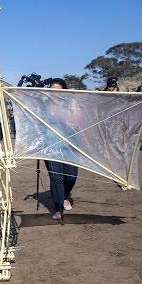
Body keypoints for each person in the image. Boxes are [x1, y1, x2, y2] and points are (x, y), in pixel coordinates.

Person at [44, 78, 78, 221]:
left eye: (59, 91)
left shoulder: (69, 104)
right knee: (56, 178)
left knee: (70, 177)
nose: (55, 94)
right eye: (52, 91)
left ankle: (64, 195)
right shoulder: (44, 106)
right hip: (51, 147)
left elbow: (76, 120)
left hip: (70, 146)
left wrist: (72, 102)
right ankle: (58, 209)